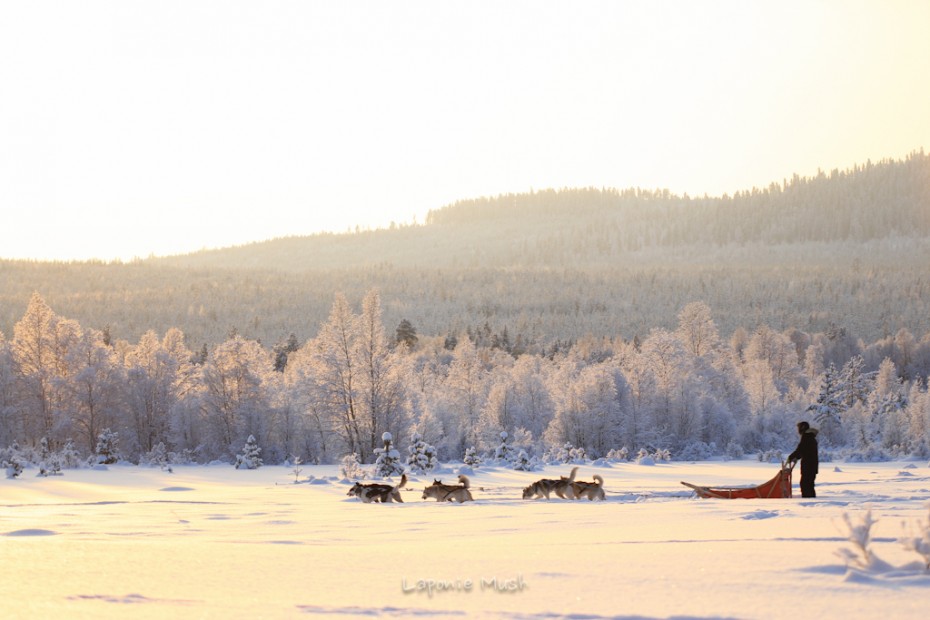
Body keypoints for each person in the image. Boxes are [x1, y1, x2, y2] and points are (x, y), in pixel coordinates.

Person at [788, 421, 819, 498]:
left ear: (802, 428)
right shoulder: (810, 437)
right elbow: (805, 451)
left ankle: (808, 501)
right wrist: (797, 457)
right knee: (809, 484)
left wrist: (791, 457)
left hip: (808, 466)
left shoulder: (806, 437)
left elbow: (801, 450)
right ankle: (811, 500)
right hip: (812, 465)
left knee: (805, 485)